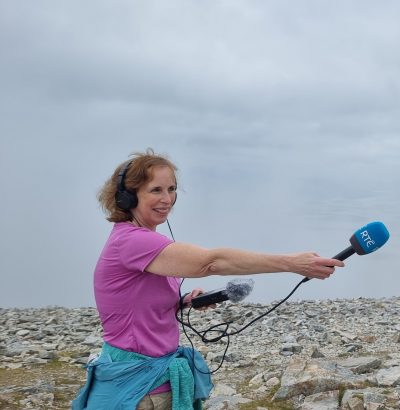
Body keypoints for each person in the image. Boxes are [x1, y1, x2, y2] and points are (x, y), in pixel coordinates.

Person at [73, 149, 345, 410]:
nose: (167, 199)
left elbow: (136, 305)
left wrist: (183, 302)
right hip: (136, 391)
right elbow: (211, 262)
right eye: (156, 190)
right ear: (127, 197)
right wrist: (292, 263)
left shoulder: (139, 241)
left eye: (171, 189)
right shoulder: (132, 241)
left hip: (151, 382)